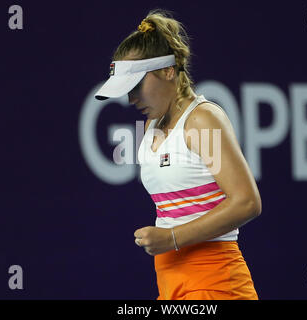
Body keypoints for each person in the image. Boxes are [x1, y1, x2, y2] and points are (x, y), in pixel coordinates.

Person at [94, 9, 262, 300]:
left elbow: (247, 202)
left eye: (136, 87)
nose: (131, 99)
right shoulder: (151, 126)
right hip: (171, 286)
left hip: (216, 286)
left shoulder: (202, 119)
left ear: (168, 71)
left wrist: (172, 238)